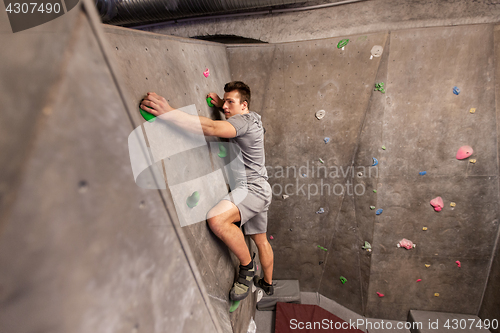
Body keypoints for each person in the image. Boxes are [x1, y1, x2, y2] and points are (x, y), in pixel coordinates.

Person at [140, 81, 274, 301]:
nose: (226, 107)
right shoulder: (254, 118)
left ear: (244, 105)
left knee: (217, 219)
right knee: (261, 241)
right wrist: (224, 104)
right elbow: (239, 118)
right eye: (226, 101)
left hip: (252, 189)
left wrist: (169, 112)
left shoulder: (242, 122)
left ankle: (248, 268)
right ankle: (268, 285)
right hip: (262, 187)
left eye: (231, 102)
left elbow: (211, 128)